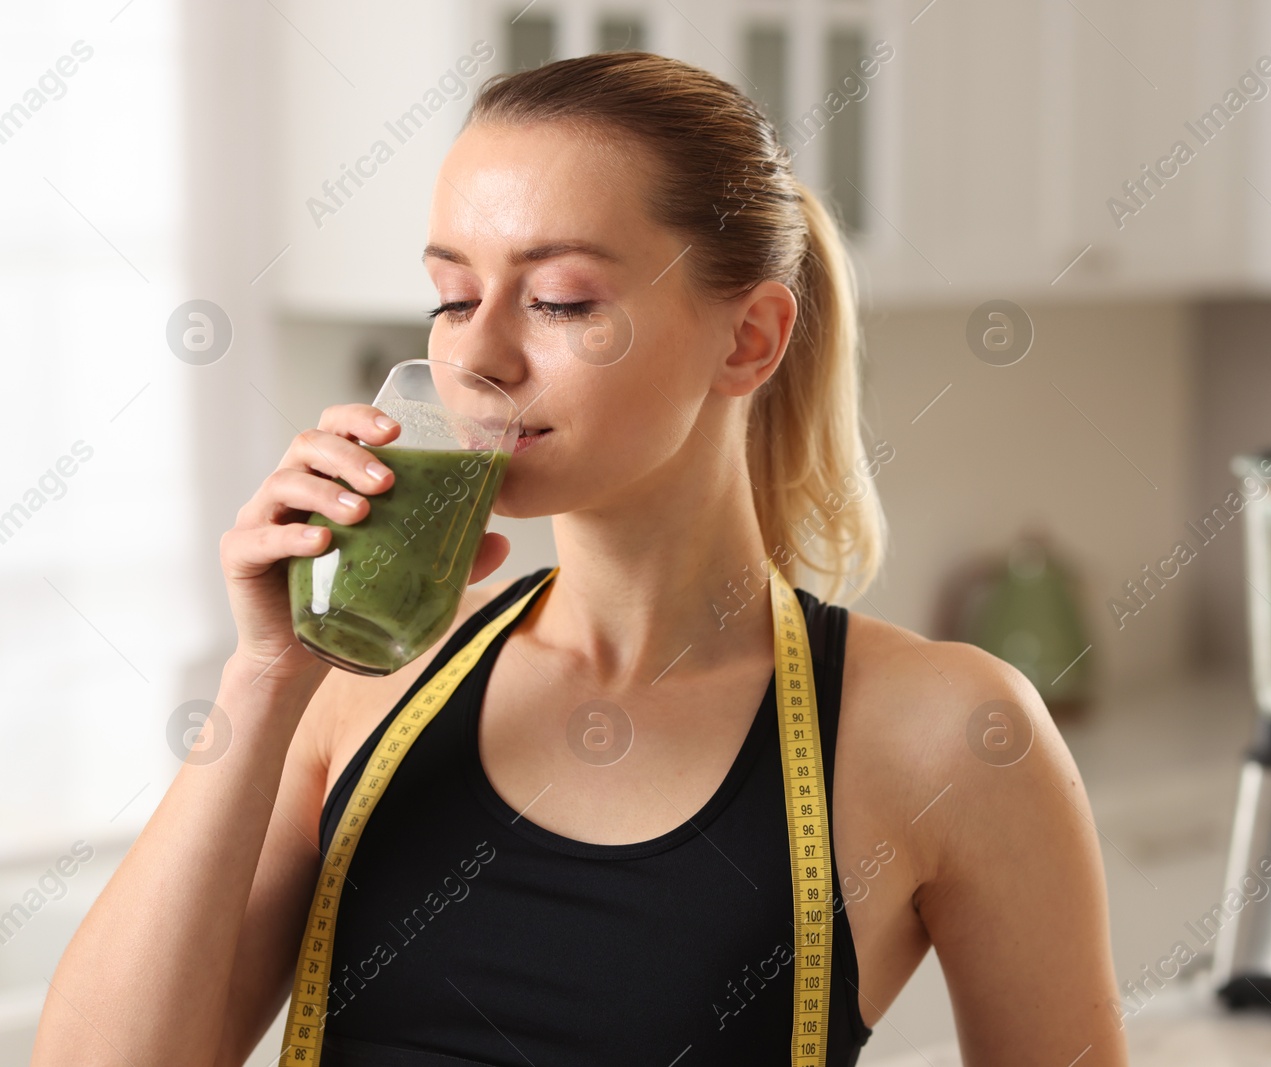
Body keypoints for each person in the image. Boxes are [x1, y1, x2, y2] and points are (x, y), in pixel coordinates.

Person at [35, 51, 1124, 1066]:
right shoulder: (360, 689)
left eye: (559, 300)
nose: (478, 354)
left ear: (747, 337)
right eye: (453, 296)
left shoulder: (946, 737)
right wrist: (266, 674)